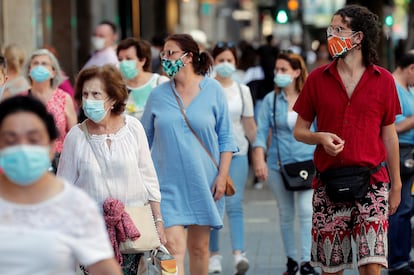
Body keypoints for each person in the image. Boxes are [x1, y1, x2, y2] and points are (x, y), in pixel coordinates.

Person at [293, 5, 402, 275]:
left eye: (338, 29)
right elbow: (299, 130)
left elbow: (389, 135)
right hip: (329, 184)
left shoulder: (384, 80)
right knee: (332, 269)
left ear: (358, 37)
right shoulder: (317, 79)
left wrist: (397, 185)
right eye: (331, 29)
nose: (331, 34)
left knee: (372, 266)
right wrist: (320, 137)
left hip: (374, 183)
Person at [141, 33, 237, 275]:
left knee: (200, 249)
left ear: (189, 57)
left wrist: (223, 176)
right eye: (162, 54)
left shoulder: (213, 90)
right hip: (167, 184)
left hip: (203, 181)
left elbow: (226, 137)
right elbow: (142, 141)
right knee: (172, 247)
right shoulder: (157, 95)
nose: (164, 58)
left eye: (170, 53)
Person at [57, 64, 166, 274]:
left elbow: (149, 177)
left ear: (114, 98)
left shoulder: (133, 128)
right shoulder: (76, 137)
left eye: (96, 94)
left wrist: (158, 222)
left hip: (133, 228)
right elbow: (64, 190)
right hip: (92, 232)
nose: (89, 100)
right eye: (86, 94)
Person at [0, 95, 121, 275]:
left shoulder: (75, 205)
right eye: (11, 140)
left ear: (50, 146)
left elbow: (105, 270)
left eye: (33, 140)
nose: (23, 148)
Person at [252, 52, 318, 275]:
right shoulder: (271, 100)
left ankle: (307, 261)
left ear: (297, 72)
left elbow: (320, 129)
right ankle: (291, 261)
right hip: (278, 165)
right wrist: (259, 158)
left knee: (306, 210)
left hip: (308, 162)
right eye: (276, 69)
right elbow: (260, 133)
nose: (278, 74)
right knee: (286, 213)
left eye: (283, 70)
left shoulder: (310, 97)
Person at [208, 41, 257, 275]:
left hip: (238, 153)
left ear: (235, 62)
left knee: (235, 204)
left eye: (229, 60)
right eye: (221, 60)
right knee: (214, 204)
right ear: (213, 62)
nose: (225, 64)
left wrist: (259, 155)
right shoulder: (206, 88)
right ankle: (213, 256)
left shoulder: (242, 90)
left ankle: (239, 254)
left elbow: (249, 125)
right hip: (210, 156)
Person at [21, 48, 77, 172]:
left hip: (60, 161)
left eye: (44, 64)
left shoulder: (64, 98)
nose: (39, 67)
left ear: (53, 72)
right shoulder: (22, 99)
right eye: (35, 63)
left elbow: (74, 135)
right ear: (29, 70)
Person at [388, 51, 414, 275]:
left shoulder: (407, 88)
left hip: (410, 153)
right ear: (410, 68)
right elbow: (394, 127)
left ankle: (403, 255)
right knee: (400, 208)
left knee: (407, 208)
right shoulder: (393, 87)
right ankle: (396, 260)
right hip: (402, 153)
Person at [116, 37, 169, 120]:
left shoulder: (160, 83)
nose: (123, 63)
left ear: (142, 60)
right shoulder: (117, 88)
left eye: (128, 59)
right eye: (120, 59)